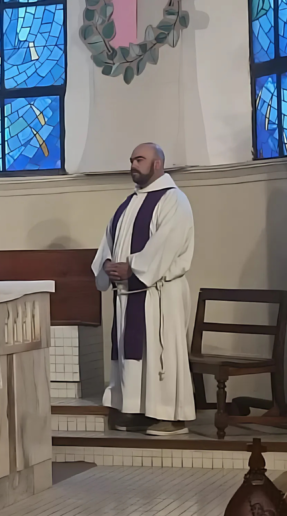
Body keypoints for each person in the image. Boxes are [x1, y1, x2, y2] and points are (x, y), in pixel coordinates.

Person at [92, 143, 196, 436]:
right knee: (134, 355)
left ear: (158, 164)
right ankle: (138, 410)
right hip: (130, 295)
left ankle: (172, 416)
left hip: (161, 294)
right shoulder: (128, 204)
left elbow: (167, 244)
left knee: (161, 354)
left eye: (140, 159)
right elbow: (108, 242)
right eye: (132, 160)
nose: (133, 165)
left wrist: (133, 268)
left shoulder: (174, 200)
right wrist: (108, 264)